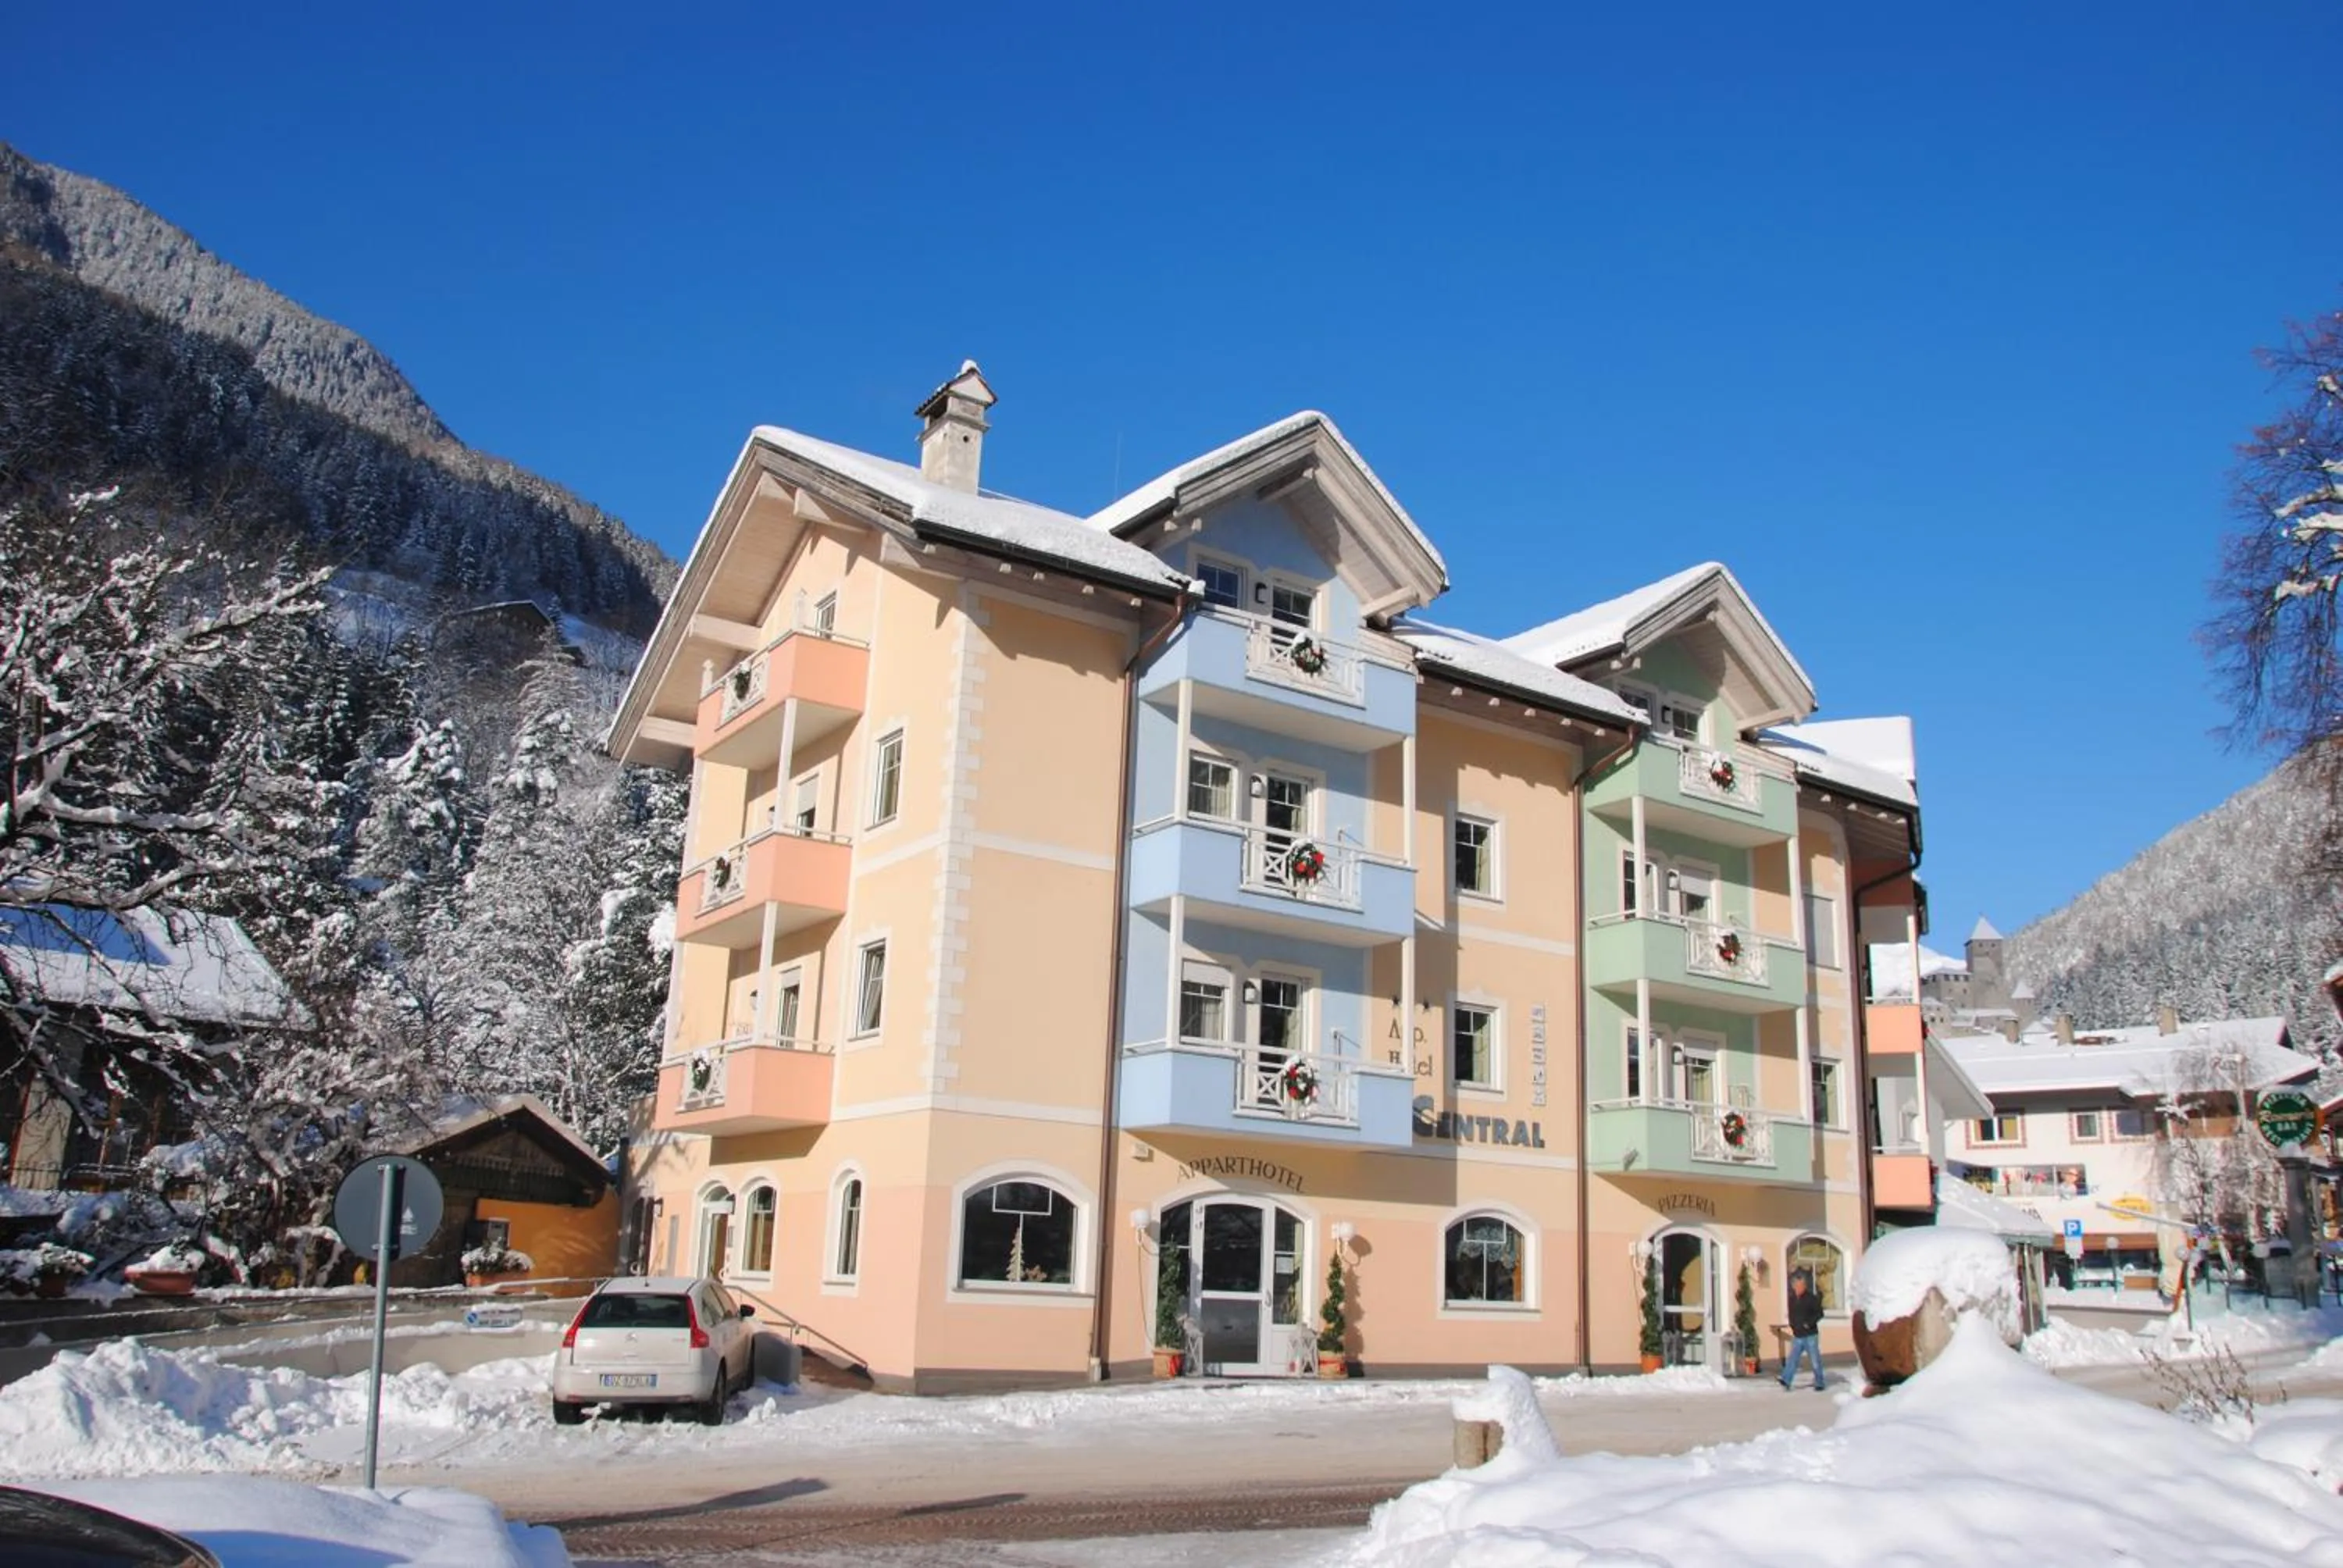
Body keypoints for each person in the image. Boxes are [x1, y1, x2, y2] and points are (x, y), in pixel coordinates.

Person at [1779, 1267, 1826, 1392]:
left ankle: (1820, 1382)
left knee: (1815, 1359)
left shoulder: (1811, 1298)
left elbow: (1820, 1314)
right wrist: (1792, 1325)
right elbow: (1792, 1314)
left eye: (1801, 1285)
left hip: (1810, 1335)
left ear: (1804, 1286)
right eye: (1797, 1286)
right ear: (1794, 1286)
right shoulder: (1792, 1299)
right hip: (1798, 1335)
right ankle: (1786, 1380)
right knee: (1792, 1359)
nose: (1799, 1288)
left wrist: (1809, 1323)